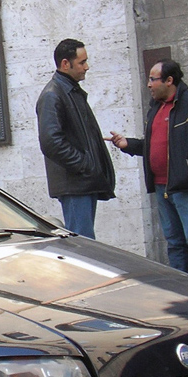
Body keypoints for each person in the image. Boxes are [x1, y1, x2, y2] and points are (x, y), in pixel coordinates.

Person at [109, 59, 188, 284]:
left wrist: (187, 172)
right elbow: (154, 145)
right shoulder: (156, 109)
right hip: (162, 187)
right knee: (175, 243)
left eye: (152, 79)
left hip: (187, 186)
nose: (148, 84)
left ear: (169, 80)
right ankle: (185, 292)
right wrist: (127, 144)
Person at [36, 38, 115, 238]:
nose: (86, 67)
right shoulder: (53, 95)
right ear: (65, 64)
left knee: (85, 242)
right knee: (82, 243)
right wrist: (84, 164)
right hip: (75, 183)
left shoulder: (70, 91)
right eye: (82, 62)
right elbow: (50, 141)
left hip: (83, 182)